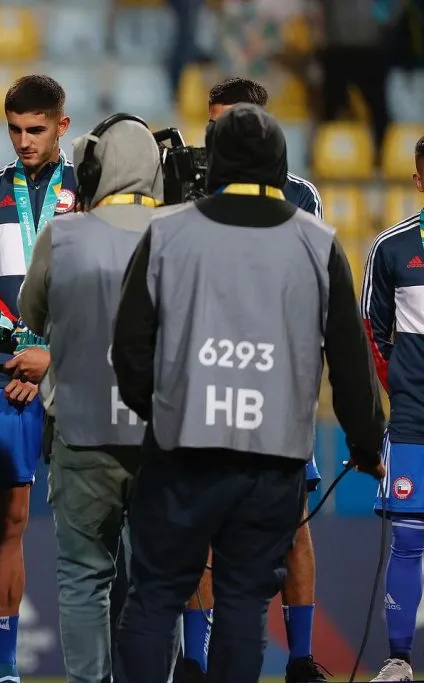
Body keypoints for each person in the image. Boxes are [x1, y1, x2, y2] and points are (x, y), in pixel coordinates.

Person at [111, 103, 386, 683]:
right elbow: (350, 360)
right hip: (271, 458)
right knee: (243, 601)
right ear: (279, 163)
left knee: (155, 595)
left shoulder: (167, 232)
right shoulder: (317, 243)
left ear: (215, 163)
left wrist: (159, 413)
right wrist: (366, 443)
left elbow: (129, 349)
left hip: (182, 451)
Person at [177, 76, 330, 683]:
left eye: (232, 121)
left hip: (278, 385)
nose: (221, 134)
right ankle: (194, 661)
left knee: (292, 526)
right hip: (208, 379)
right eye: (214, 123)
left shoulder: (300, 196)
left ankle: (300, 660)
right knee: (202, 529)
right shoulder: (189, 195)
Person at [8, 113, 166, 683]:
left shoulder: (63, 234)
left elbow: (31, 315)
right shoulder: (185, 232)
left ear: (95, 171)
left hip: (81, 431)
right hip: (162, 438)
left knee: (83, 578)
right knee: (156, 581)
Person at [0, 73, 76, 683]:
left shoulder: (89, 191)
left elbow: (104, 287)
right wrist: (26, 351)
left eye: (36, 129)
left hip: (76, 374)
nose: (24, 141)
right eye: (14, 130)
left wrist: (51, 355)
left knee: (98, 521)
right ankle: (3, 669)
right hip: (7, 376)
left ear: (62, 126)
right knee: (8, 523)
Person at [362, 135, 424, 683]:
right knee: (408, 538)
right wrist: (400, 387)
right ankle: (399, 660)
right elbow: (371, 331)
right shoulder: (392, 249)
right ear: (419, 179)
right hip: (412, 421)